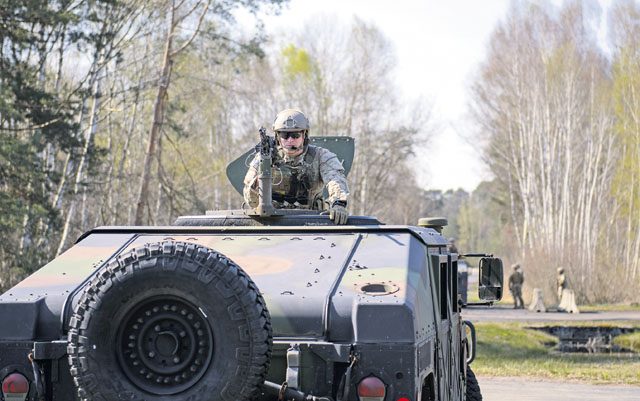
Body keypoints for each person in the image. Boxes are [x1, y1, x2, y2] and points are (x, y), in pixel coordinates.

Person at [243, 108, 350, 224]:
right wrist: (259, 183)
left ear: (304, 135)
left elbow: (335, 179)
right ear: (278, 137)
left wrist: (338, 203)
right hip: (272, 221)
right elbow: (250, 197)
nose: (290, 140)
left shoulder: (321, 156)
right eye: (285, 135)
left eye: (295, 135)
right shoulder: (264, 158)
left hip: (312, 221)